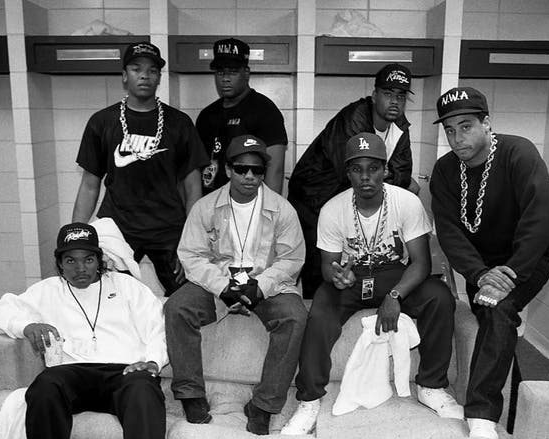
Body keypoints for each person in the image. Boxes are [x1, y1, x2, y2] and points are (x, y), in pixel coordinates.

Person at [281, 133, 460, 436]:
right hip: (352, 277)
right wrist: (337, 276)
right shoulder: (333, 209)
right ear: (347, 173)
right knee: (320, 312)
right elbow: (327, 265)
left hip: (393, 273)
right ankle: (309, 400)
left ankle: (431, 386)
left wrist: (395, 296)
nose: (365, 177)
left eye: (373, 168)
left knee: (439, 297)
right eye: (357, 169)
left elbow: (421, 263)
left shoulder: (407, 202)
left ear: (385, 170)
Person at [0, 222, 169, 439]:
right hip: (71, 375)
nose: (80, 268)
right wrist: (26, 326)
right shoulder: (46, 290)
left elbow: (158, 328)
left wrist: (152, 362)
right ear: (60, 264)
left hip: (125, 373)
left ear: (99, 260)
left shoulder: (128, 287)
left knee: (144, 390)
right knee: (44, 387)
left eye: (88, 259)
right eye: (71, 260)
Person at [429, 87, 549, 439]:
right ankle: (513, 414)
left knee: (499, 310)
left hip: (528, 260)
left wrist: (509, 275)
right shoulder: (445, 170)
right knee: (493, 321)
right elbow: (450, 233)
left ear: (486, 124)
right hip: (481, 268)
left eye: (466, 126)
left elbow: (541, 221)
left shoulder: (519, 153)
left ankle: (482, 417)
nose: (457, 138)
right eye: (450, 130)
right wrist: (481, 274)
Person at [164, 134, 307, 436]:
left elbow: (291, 260)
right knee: (177, 307)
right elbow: (191, 255)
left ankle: (263, 405)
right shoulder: (205, 207)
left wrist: (260, 286)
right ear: (228, 169)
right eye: (242, 169)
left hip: (266, 282)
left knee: (295, 317)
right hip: (217, 281)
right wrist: (222, 287)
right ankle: (190, 393)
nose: (250, 176)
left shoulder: (283, 210)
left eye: (257, 170)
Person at [72, 41, 209, 296]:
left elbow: (193, 188)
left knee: (186, 299)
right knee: (111, 297)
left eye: (152, 70)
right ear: (125, 75)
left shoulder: (179, 123)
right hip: (118, 227)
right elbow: (90, 185)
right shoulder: (102, 121)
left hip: (169, 227)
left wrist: (192, 242)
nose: (144, 75)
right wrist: (76, 237)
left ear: (159, 77)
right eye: (136, 69)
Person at [288, 64, 420, 298]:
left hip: (351, 197)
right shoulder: (354, 118)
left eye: (401, 96)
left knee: (357, 264)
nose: (394, 102)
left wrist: (390, 176)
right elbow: (353, 171)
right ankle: (315, 307)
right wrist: (386, 173)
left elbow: (403, 173)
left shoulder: (399, 125)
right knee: (320, 266)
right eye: (388, 94)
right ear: (374, 95)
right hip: (314, 199)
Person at [197, 37, 288, 195]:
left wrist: (268, 207)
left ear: (246, 73)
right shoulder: (207, 115)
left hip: (248, 203)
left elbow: (275, 169)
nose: (225, 79)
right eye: (220, 72)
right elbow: (196, 167)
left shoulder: (265, 111)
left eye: (233, 72)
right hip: (212, 201)